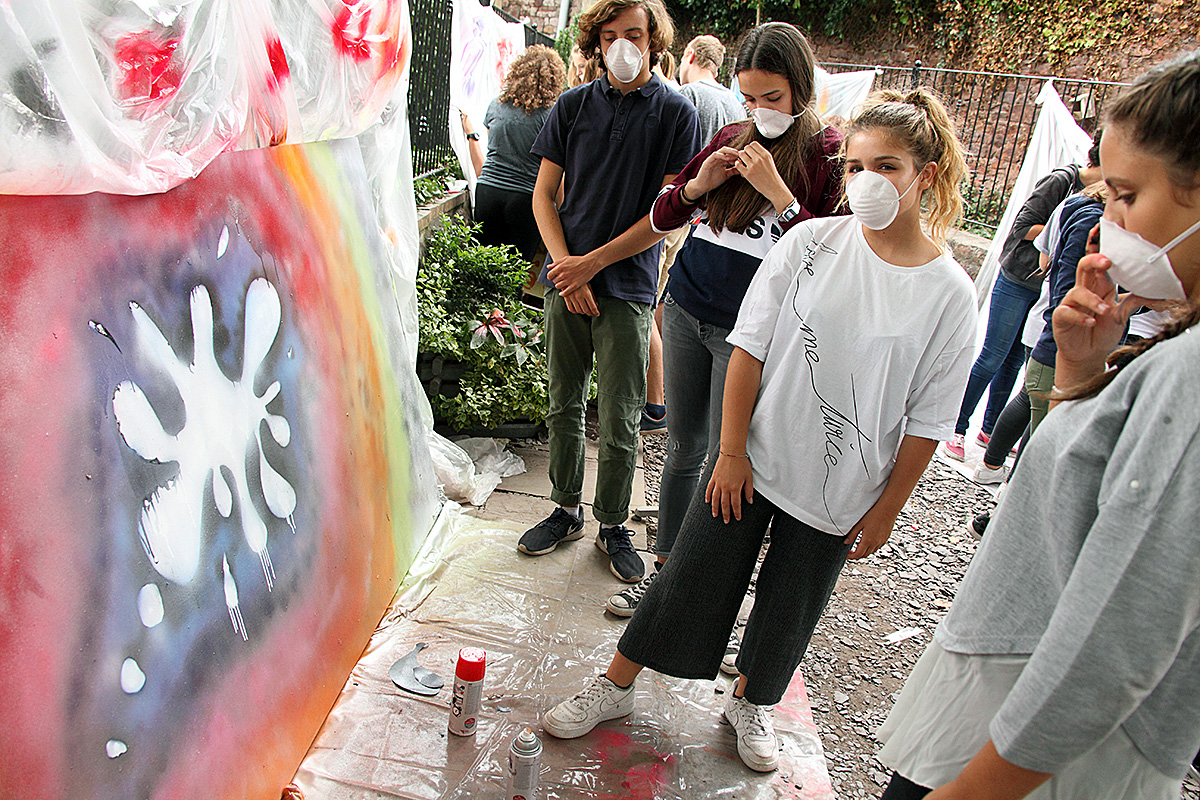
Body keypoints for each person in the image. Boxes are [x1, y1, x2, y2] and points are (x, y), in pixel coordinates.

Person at [543, 86, 976, 774]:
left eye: (887, 166)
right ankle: (617, 683)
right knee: (692, 572)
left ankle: (752, 702)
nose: (866, 181)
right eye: (855, 166)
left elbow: (928, 418)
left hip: (843, 486)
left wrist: (887, 508)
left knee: (792, 603)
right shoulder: (810, 242)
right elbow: (749, 346)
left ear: (927, 174)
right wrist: (732, 450)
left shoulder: (950, 293)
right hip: (758, 458)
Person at [876, 51, 1200, 800]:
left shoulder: (1188, 378)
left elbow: (1116, 643)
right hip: (1015, 720)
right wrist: (1083, 374)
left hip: (1029, 749)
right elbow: (1091, 502)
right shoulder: (1172, 352)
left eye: (1127, 195)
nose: (1108, 222)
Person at [605, 22, 844, 620]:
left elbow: (831, 261)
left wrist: (781, 196)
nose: (761, 111)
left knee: (725, 459)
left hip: (752, 338)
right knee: (682, 449)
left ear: (801, 88)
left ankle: (697, 590)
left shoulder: (829, 153)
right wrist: (698, 186)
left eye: (773, 97)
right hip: (688, 308)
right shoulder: (731, 135)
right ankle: (663, 581)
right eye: (750, 97)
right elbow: (663, 216)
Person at [516, 0, 701, 584]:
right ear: (595, 41)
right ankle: (565, 508)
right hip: (567, 279)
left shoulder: (676, 113)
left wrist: (589, 265)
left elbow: (667, 215)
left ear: (654, 40)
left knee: (621, 413)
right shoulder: (571, 106)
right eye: (611, 34)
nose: (623, 44)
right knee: (563, 402)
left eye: (635, 34)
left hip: (627, 283)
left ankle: (614, 523)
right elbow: (543, 196)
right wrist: (564, 267)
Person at [942, 136, 1100, 461]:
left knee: (1014, 362)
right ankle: (956, 427)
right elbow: (1022, 227)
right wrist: (1063, 231)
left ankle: (990, 429)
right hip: (1017, 278)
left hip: (1042, 287)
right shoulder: (1064, 181)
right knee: (993, 356)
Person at [641, 33, 747, 436]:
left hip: (681, 211)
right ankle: (667, 397)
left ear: (688, 55)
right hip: (707, 228)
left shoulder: (686, 97)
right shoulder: (734, 105)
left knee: (650, 303)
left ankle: (655, 400)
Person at [460, 45, 566, 263]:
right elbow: (556, 176)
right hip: (526, 201)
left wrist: (471, 135)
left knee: (483, 268)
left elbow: (483, 168)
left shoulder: (496, 106)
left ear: (517, 72)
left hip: (488, 193)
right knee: (516, 272)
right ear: (554, 81)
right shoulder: (550, 116)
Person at [679, 35, 746, 144]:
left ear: (691, 55)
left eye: (682, 61)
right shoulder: (736, 103)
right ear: (715, 72)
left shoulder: (688, 93)